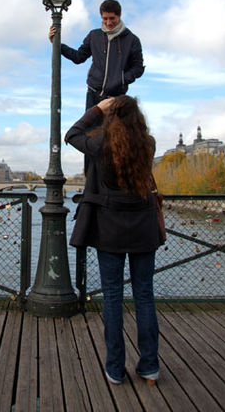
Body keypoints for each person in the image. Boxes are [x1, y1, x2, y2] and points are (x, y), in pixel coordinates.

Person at [65, 95, 163, 386]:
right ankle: (149, 366)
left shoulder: (100, 145)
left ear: (111, 118)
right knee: (145, 296)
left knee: (113, 296)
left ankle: (115, 368)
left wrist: (97, 108)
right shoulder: (149, 144)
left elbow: (72, 134)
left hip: (109, 228)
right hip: (144, 227)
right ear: (138, 119)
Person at [49, 0, 144, 109]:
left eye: (112, 18)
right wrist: (57, 44)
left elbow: (138, 68)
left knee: (114, 127)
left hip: (116, 99)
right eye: (105, 18)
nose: (108, 22)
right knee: (89, 127)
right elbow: (78, 57)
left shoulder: (132, 40)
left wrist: (121, 79)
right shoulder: (94, 36)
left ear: (120, 15)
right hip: (93, 96)